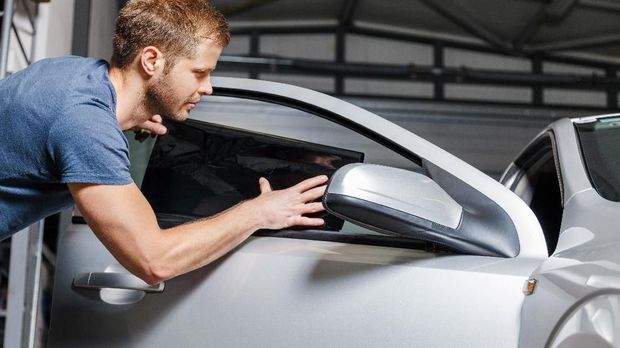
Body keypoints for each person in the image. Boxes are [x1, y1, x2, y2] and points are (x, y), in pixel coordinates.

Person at [0, 0, 327, 284]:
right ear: (151, 61)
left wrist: (123, 120)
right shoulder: (87, 127)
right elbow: (154, 261)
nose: (208, 87)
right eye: (199, 72)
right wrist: (257, 214)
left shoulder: (72, 73)